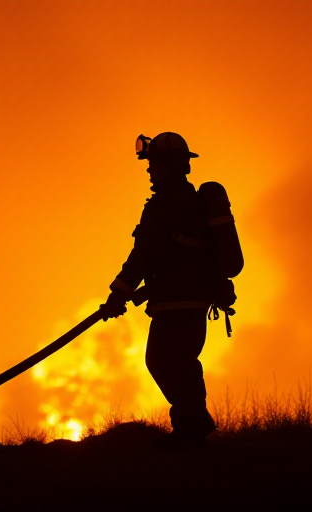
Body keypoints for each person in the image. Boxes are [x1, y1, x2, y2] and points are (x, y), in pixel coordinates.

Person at [100, 132, 218, 447]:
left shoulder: (166, 204)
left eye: (153, 164)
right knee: (163, 362)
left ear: (170, 165)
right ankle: (193, 424)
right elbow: (164, 254)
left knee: (177, 364)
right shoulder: (184, 200)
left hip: (178, 299)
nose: (149, 170)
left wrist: (118, 294)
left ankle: (191, 433)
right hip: (179, 297)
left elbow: (144, 254)